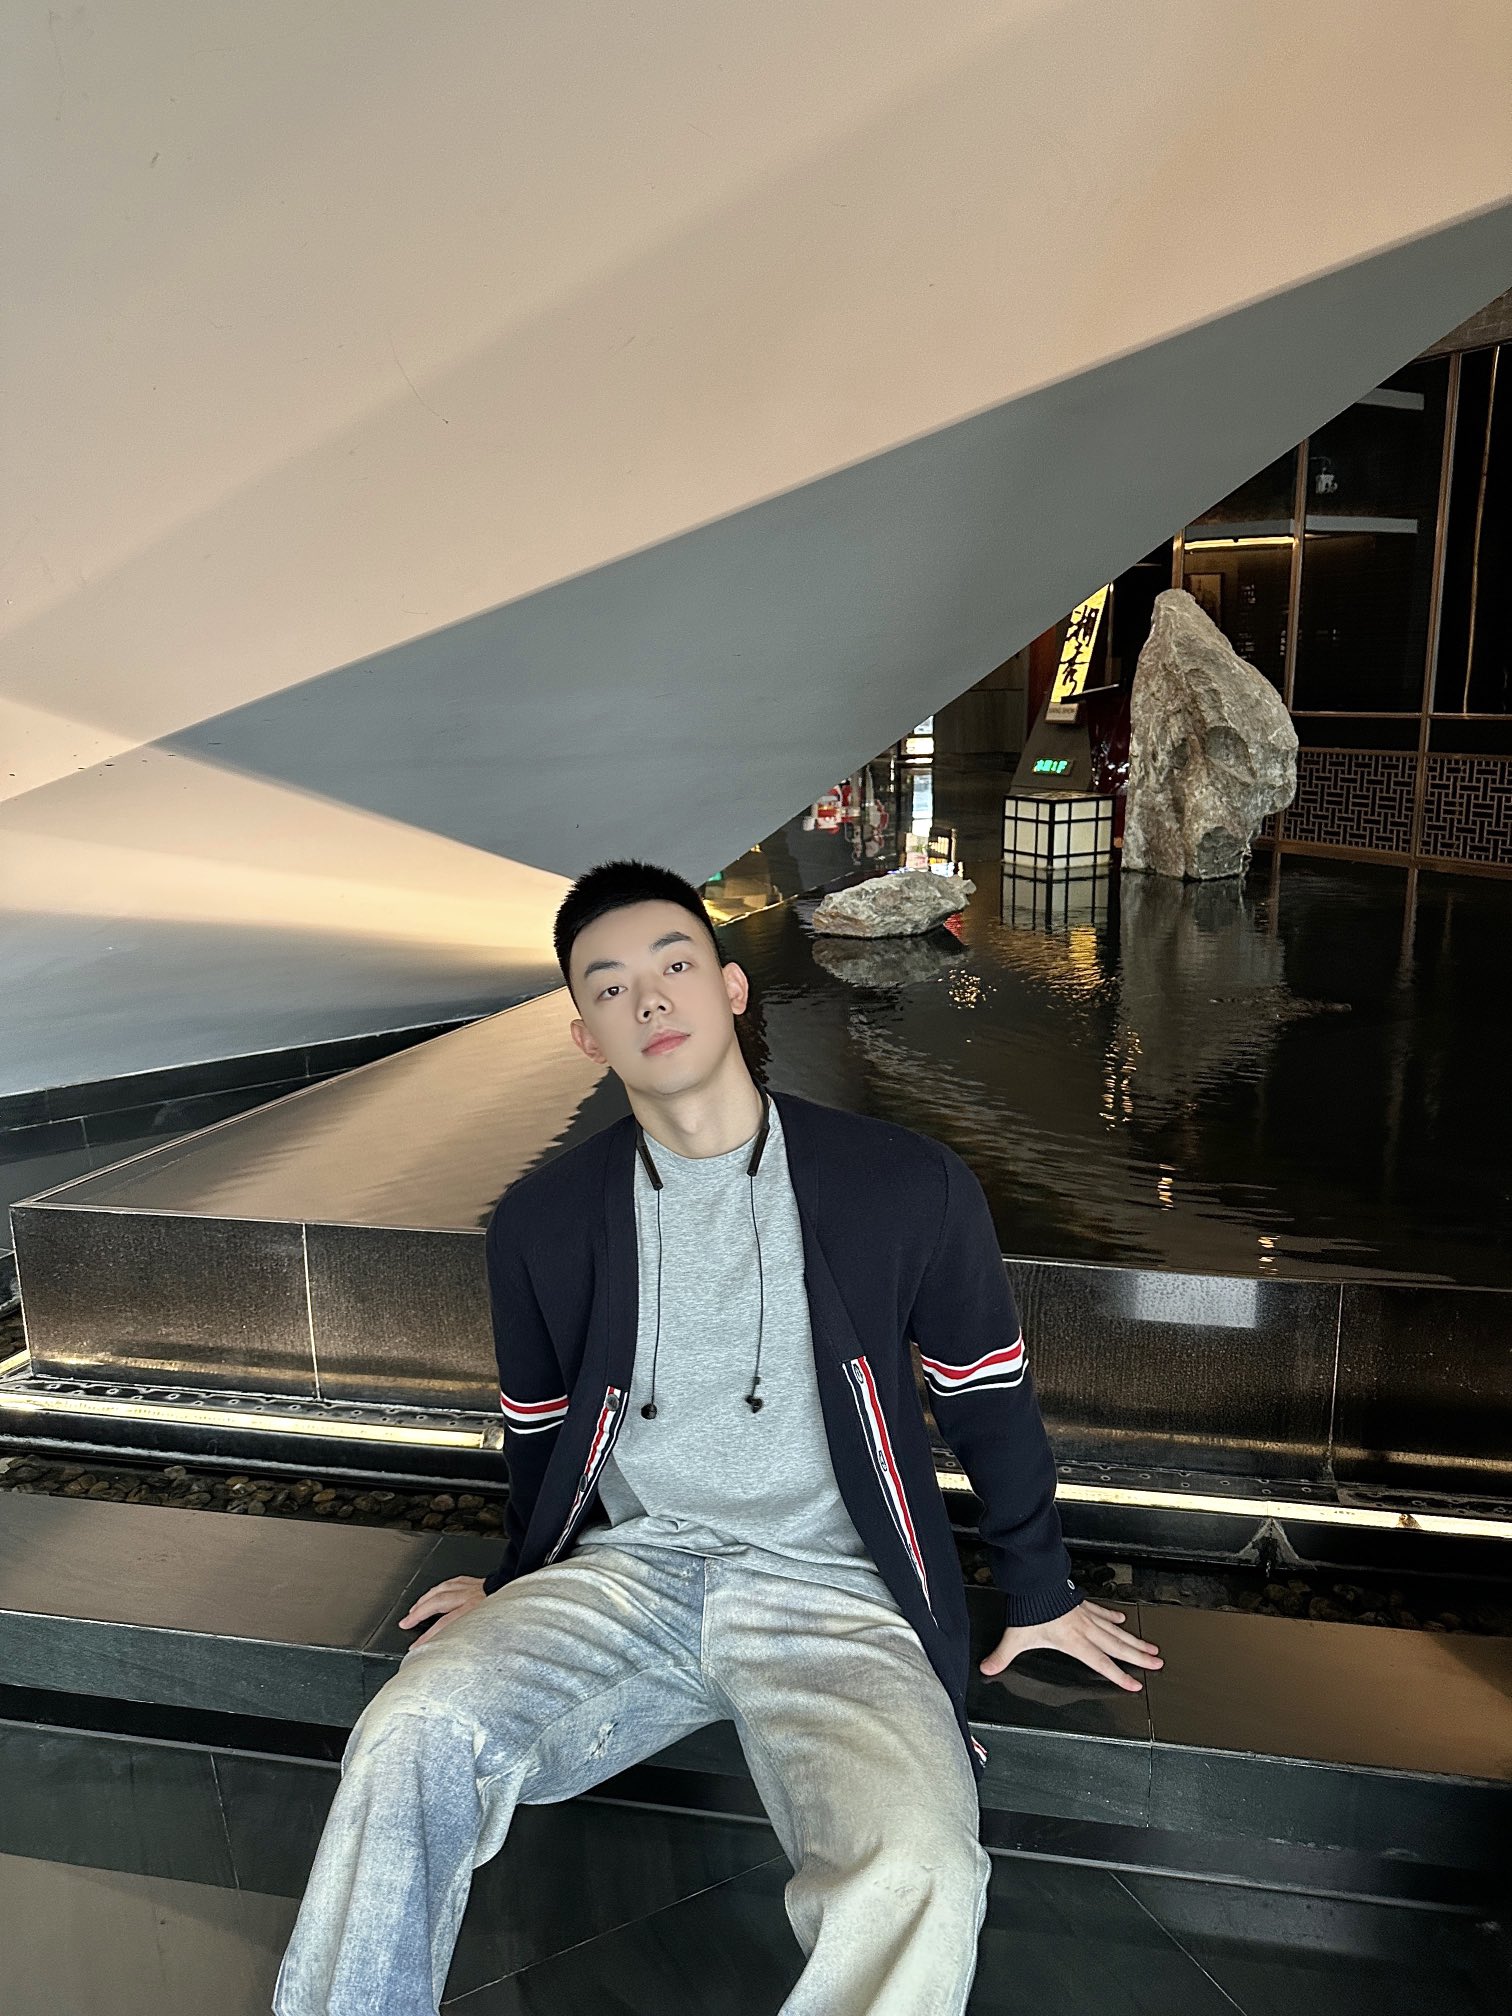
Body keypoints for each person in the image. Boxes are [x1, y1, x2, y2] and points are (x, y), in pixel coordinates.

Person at [272, 858, 1162, 2016]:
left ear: (733, 989)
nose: (649, 999)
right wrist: (512, 1577)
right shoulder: (542, 1222)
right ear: (586, 1034)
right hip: (628, 1581)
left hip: (837, 1595)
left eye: (675, 965)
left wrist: (1039, 1589)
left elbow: (984, 1394)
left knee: (920, 1869)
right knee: (415, 1728)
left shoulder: (902, 1184)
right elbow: (538, 1429)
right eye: (609, 987)